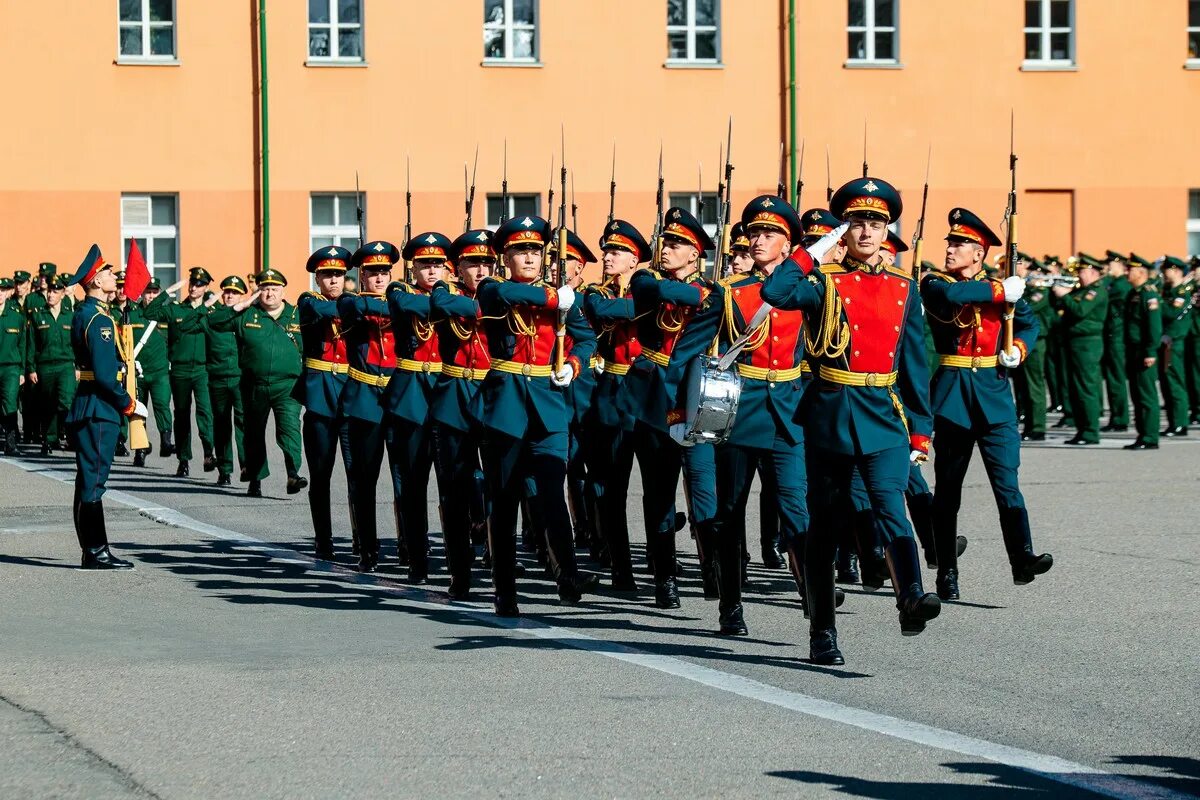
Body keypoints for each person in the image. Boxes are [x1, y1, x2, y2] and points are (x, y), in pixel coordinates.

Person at [761, 176, 939, 666]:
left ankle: (911, 598)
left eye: (876, 222)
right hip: (831, 415)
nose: (866, 230)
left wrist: (920, 428)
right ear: (845, 228)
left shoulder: (905, 287)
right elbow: (775, 292)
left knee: (890, 507)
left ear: (888, 230)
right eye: (857, 221)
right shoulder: (824, 281)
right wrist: (813, 251)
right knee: (825, 528)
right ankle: (822, 631)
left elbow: (914, 362)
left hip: (883, 414)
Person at [669, 197, 812, 637]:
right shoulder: (730, 292)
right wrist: (679, 409)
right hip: (739, 413)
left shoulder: (809, 289)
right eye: (755, 233)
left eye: (770, 234)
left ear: (788, 245)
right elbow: (688, 349)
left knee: (798, 511)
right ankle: (731, 604)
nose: (759, 240)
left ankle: (814, 599)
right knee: (730, 512)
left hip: (789, 413)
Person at [920, 208, 1052, 600]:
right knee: (948, 492)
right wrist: (1001, 291)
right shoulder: (934, 283)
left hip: (994, 398)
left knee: (1008, 484)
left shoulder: (1001, 287)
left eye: (959, 244)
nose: (950, 249)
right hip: (953, 397)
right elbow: (954, 295)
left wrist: (1018, 347)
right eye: (950, 243)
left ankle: (1022, 557)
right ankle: (947, 570)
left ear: (978, 253)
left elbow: (1029, 322)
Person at [471, 214, 598, 616]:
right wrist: (553, 299)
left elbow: (587, 338)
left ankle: (568, 573)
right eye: (520, 250)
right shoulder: (494, 288)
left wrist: (574, 364)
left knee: (551, 492)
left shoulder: (559, 296)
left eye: (535, 251)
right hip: (505, 405)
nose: (529, 257)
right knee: (504, 499)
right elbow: (505, 297)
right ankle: (504, 589)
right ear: (504, 256)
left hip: (548, 403)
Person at [616, 208, 716, 610]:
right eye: (666, 242)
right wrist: (704, 295)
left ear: (695, 253)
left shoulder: (714, 290)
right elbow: (657, 292)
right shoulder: (647, 280)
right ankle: (664, 576)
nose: (667, 249)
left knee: (704, 491)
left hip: (694, 401)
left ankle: (713, 569)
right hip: (656, 402)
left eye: (677, 244)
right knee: (659, 493)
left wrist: (708, 294)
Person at [581, 219, 653, 590]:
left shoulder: (649, 286)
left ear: (634, 259)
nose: (608, 256)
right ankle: (621, 568)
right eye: (607, 250)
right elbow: (603, 312)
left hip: (646, 392)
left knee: (658, 485)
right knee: (612, 488)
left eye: (617, 252)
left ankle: (660, 564)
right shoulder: (596, 292)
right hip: (610, 393)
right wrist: (643, 306)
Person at [63, 245, 145, 569]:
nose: (115, 276)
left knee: (87, 479)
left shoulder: (91, 313)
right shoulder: (98, 321)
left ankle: (91, 550)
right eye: (109, 272)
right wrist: (129, 405)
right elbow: (106, 376)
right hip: (99, 409)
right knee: (94, 481)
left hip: (90, 404)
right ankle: (96, 552)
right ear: (96, 280)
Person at [429, 230, 496, 599]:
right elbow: (444, 306)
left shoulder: (503, 290)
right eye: (473, 263)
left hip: (494, 397)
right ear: (457, 268)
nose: (482, 269)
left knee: (499, 487)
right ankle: (460, 571)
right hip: (454, 398)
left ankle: (497, 558)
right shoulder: (445, 293)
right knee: (452, 490)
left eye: (487, 262)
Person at [384, 233, 451, 584]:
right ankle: (416, 555)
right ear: (413, 267)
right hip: (411, 394)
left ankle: (458, 553)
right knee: (413, 482)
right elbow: (416, 309)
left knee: (453, 482)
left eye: (438, 264)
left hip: (445, 389)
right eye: (425, 264)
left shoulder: (453, 294)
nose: (432, 270)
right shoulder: (399, 292)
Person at [206, 269, 307, 497]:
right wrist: (239, 306)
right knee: (253, 433)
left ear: (283, 291)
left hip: (288, 386)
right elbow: (214, 322)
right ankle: (256, 478)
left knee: (290, 429)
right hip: (253, 386)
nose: (270, 293)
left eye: (274, 289)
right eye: (265, 289)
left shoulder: (296, 315)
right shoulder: (247, 315)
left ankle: (293, 473)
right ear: (258, 291)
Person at [339, 241, 403, 572]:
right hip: (364, 397)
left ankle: (408, 546)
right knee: (365, 479)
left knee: (403, 477)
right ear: (361, 276)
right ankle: (367, 548)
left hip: (398, 396)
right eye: (372, 273)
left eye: (384, 272)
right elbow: (354, 312)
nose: (379, 278)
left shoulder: (404, 299)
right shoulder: (352, 302)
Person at [296, 246, 356, 560]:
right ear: (317, 278)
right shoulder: (309, 302)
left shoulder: (355, 301)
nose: (333, 280)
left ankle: (362, 539)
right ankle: (324, 538)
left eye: (338, 275)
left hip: (352, 395)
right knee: (321, 475)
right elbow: (328, 313)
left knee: (357, 473)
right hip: (321, 398)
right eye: (327, 275)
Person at [143, 267, 216, 476]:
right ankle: (183, 460)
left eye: (199, 284)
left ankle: (209, 452)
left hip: (202, 370)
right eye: (192, 283)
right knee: (182, 416)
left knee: (205, 412)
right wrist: (169, 290)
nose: (194, 287)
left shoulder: (212, 310)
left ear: (206, 287)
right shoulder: (175, 309)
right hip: (180, 370)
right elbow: (149, 312)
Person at [1054, 256, 1108, 445]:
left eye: (1082, 271)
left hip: (1087, 344)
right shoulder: (1083, 290)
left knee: (1086, 388)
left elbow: (1080, 310)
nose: (1079, 275)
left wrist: (1064, 295)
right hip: (1075, 342)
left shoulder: (1096, 291)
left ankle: (1090, 431)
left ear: (1093, 272)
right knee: (1076, 388)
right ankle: (1082, 429)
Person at [25, 274, 76, 454]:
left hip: (65, 365)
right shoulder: (39, 316)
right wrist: (31, 369)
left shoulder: (70, 316)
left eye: (55, 292)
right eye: (49, 292)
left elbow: (76, 343)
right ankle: (49, 440)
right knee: (48, 404)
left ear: (63, 294)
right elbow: (31, 344)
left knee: (66, 401)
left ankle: (72, 436)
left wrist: (77, 367)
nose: (51, 295)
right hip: (45, 366)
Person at [206, 276, 248, 485]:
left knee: (244, 424)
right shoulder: (214, 317)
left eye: (235, 293)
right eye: (227, 292)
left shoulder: (248, 317)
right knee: (221, 424)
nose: (230, 296)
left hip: (242, 380)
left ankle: (248, 468)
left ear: (242, 296)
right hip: (218, 378)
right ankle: (224, 469)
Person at [132, 278, 174, 464]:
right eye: (148, 292)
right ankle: (141, 449)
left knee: (162, 405)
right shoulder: (132, 314)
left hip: (160, 371)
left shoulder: (166, 314)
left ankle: (166, 441)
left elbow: (175, 340)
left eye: (155, 292)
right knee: (138, 411)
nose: (151, 295)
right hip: (138, 372)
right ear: (141, 294)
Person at [1122, 255, 1162, 450]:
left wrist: (1151, 351)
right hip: (1133, 349)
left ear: (1140, 272)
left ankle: (1150, 436)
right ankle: (1142, 434)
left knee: (1147, 395)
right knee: (1137, 395)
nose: (1126, 272)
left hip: (1144, 350)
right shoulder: (1134, 293)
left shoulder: (1149, 294)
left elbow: (1153, 327)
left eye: (1130, 269)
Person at [1158, 256, 1191, 437]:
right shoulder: (1167, 290)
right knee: (1166, 384)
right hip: (1165, 341)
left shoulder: (1181, 292)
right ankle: (1173, 422)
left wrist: (1159, 303)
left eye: (1167, 270)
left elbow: (1171, 312)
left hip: (1174, 342)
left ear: (1176, 271)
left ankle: (1179, 423)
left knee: (1175, 383)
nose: (1164, 273)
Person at [1100, 251, 1131, 432]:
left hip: (1117, 338)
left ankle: (1120, 418)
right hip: (1111, 336)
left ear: (1120, 266)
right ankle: (1116, 416)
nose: (1107, 267)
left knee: (1116, 379)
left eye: (1111, 264)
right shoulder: (1113, 284)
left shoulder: (1121, 286)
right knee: (1112, 380)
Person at [0, 277, 26, 454]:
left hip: (10, 367)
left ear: (8, 292)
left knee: (10, 403)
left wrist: (23, 371)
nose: (0, 294)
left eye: (3, 291)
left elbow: (23, 344)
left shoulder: (16, 315)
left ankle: (11, 443)